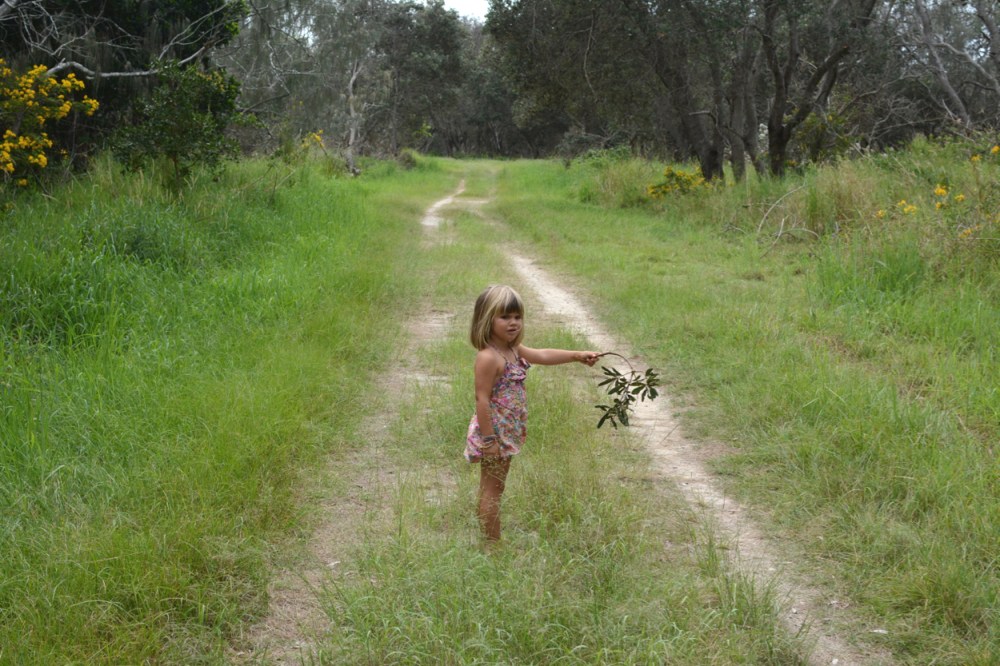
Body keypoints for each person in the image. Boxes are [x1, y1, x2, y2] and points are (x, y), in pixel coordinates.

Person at [465, 284, 599, 543]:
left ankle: (490, 539)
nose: (513, 323)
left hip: (506, 429)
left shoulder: (512, 349)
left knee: (496, 488)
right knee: (491, 489)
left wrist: (577, 355)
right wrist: (490, 440)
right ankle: (492, 546)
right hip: (494, 432)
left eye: (517, 317)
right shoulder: (488, 357)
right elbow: (481, 400)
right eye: (504, 317)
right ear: (486, 319)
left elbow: (541, 354)